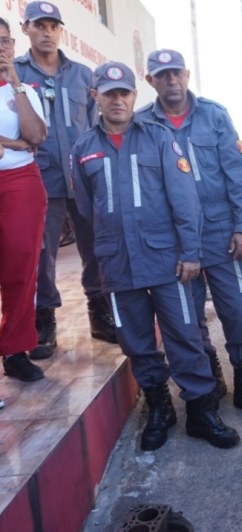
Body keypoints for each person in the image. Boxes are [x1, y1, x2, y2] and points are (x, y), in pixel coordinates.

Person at [71, 61, 240, 451]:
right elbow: (85, 207)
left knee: (184, 335)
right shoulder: (84, 149)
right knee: (136, 341)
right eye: (109, 94)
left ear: (134, 96)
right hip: (117, 262)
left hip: (166, 260)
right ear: (95, 96)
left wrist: (191, 252)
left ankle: (200, 411)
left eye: (124, 93)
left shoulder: (159, 138)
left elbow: (185, 201)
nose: (117, 101)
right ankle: (159, 407)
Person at [138, 49, 242, 421]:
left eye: (176, 73)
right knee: (187, 319)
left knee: (238, 312)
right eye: (162, 75)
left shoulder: (214, 115)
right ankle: (211, 379)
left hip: (221, 235)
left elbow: (237, 174)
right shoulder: (143, 124)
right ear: (150, 80)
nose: (171, 80)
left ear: (186, 74)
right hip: (173, 242)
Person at [14, 1, 116, 361]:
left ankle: (99, 313)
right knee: (42, 253)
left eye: (53, 26)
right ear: (25, 29)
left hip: (83, 176)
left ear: (60, 31)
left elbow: (97, 127)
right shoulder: (14, 73)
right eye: (39, 26)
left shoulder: (84, 76)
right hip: (39, 177)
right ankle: (44, 319)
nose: (47, 32)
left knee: (96, 246)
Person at [0, 16, 48, 383]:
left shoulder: (24, 90)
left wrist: (14, 81)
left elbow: (35, 137)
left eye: (4, 41)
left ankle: (15, 350)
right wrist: (13, 142)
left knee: (20, 268)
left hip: (19, 183)